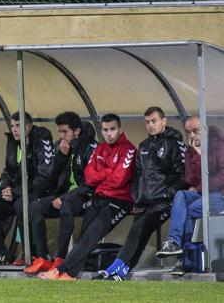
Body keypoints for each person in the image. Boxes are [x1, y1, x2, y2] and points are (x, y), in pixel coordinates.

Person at [38, 113, 136, 280]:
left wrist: (103, 173)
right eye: (105, 130)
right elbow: (90, 176)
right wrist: (109, 171)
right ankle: (70, 274)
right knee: (84, 237)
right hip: (100, 198)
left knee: (90, 236)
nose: (109, 133)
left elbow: (119, 180)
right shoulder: (101, 149)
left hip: (118, 202)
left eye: (112, 129)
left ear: (120, 130)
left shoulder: (129, 150)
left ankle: (60, 271)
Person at [96, 106, 186, 281]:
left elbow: (182, 174)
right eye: (147, 122)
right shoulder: (144, 146)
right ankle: (120, 273)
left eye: (154, 121)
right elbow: (137, 174)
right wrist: (137, 196)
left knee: (137, 230)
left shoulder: (173, 143)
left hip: (163, 202)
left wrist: (169, 194)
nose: (151, 125)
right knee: (139, 235)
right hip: (144, 202)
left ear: (164, 121)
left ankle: (115, 267)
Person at [0, 111, 54, 265]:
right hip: (17, 192)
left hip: (38, 192)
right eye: (12, 126)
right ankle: (1, 251)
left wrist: (15, 192)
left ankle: (33, 254)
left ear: (29, 126)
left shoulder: (41, 139)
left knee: (21, 205)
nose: (14, 129)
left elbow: (45, 177)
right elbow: (7, 172)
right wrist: (6, 188)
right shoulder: (13, 142)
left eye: (18, 126)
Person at [24, 112, 98, 274]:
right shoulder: (62, 146)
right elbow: (52, 176)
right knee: (34, 207)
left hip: (85, 196)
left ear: (76, 131)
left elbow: (90, 184)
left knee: (66, 206)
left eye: (65, 132)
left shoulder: (90, 148)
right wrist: (62, 157)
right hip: (65, 195)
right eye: (60, 132)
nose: (61, 136)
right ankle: (43, 258)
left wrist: (64, 197)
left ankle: (61, 259)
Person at [156, 116, 224, 275]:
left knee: (190, 207)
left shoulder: (220, 145)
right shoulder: (190, 150)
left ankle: (185, 259)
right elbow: (189, 179)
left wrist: (200, 158)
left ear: (205, 130)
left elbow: (221, 178)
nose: (192, 136)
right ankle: (173, 242)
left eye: (196, 131)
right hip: (206, 194)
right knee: (181, 195)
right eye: (188, 132)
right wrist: (195, 155)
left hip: (220, 195)